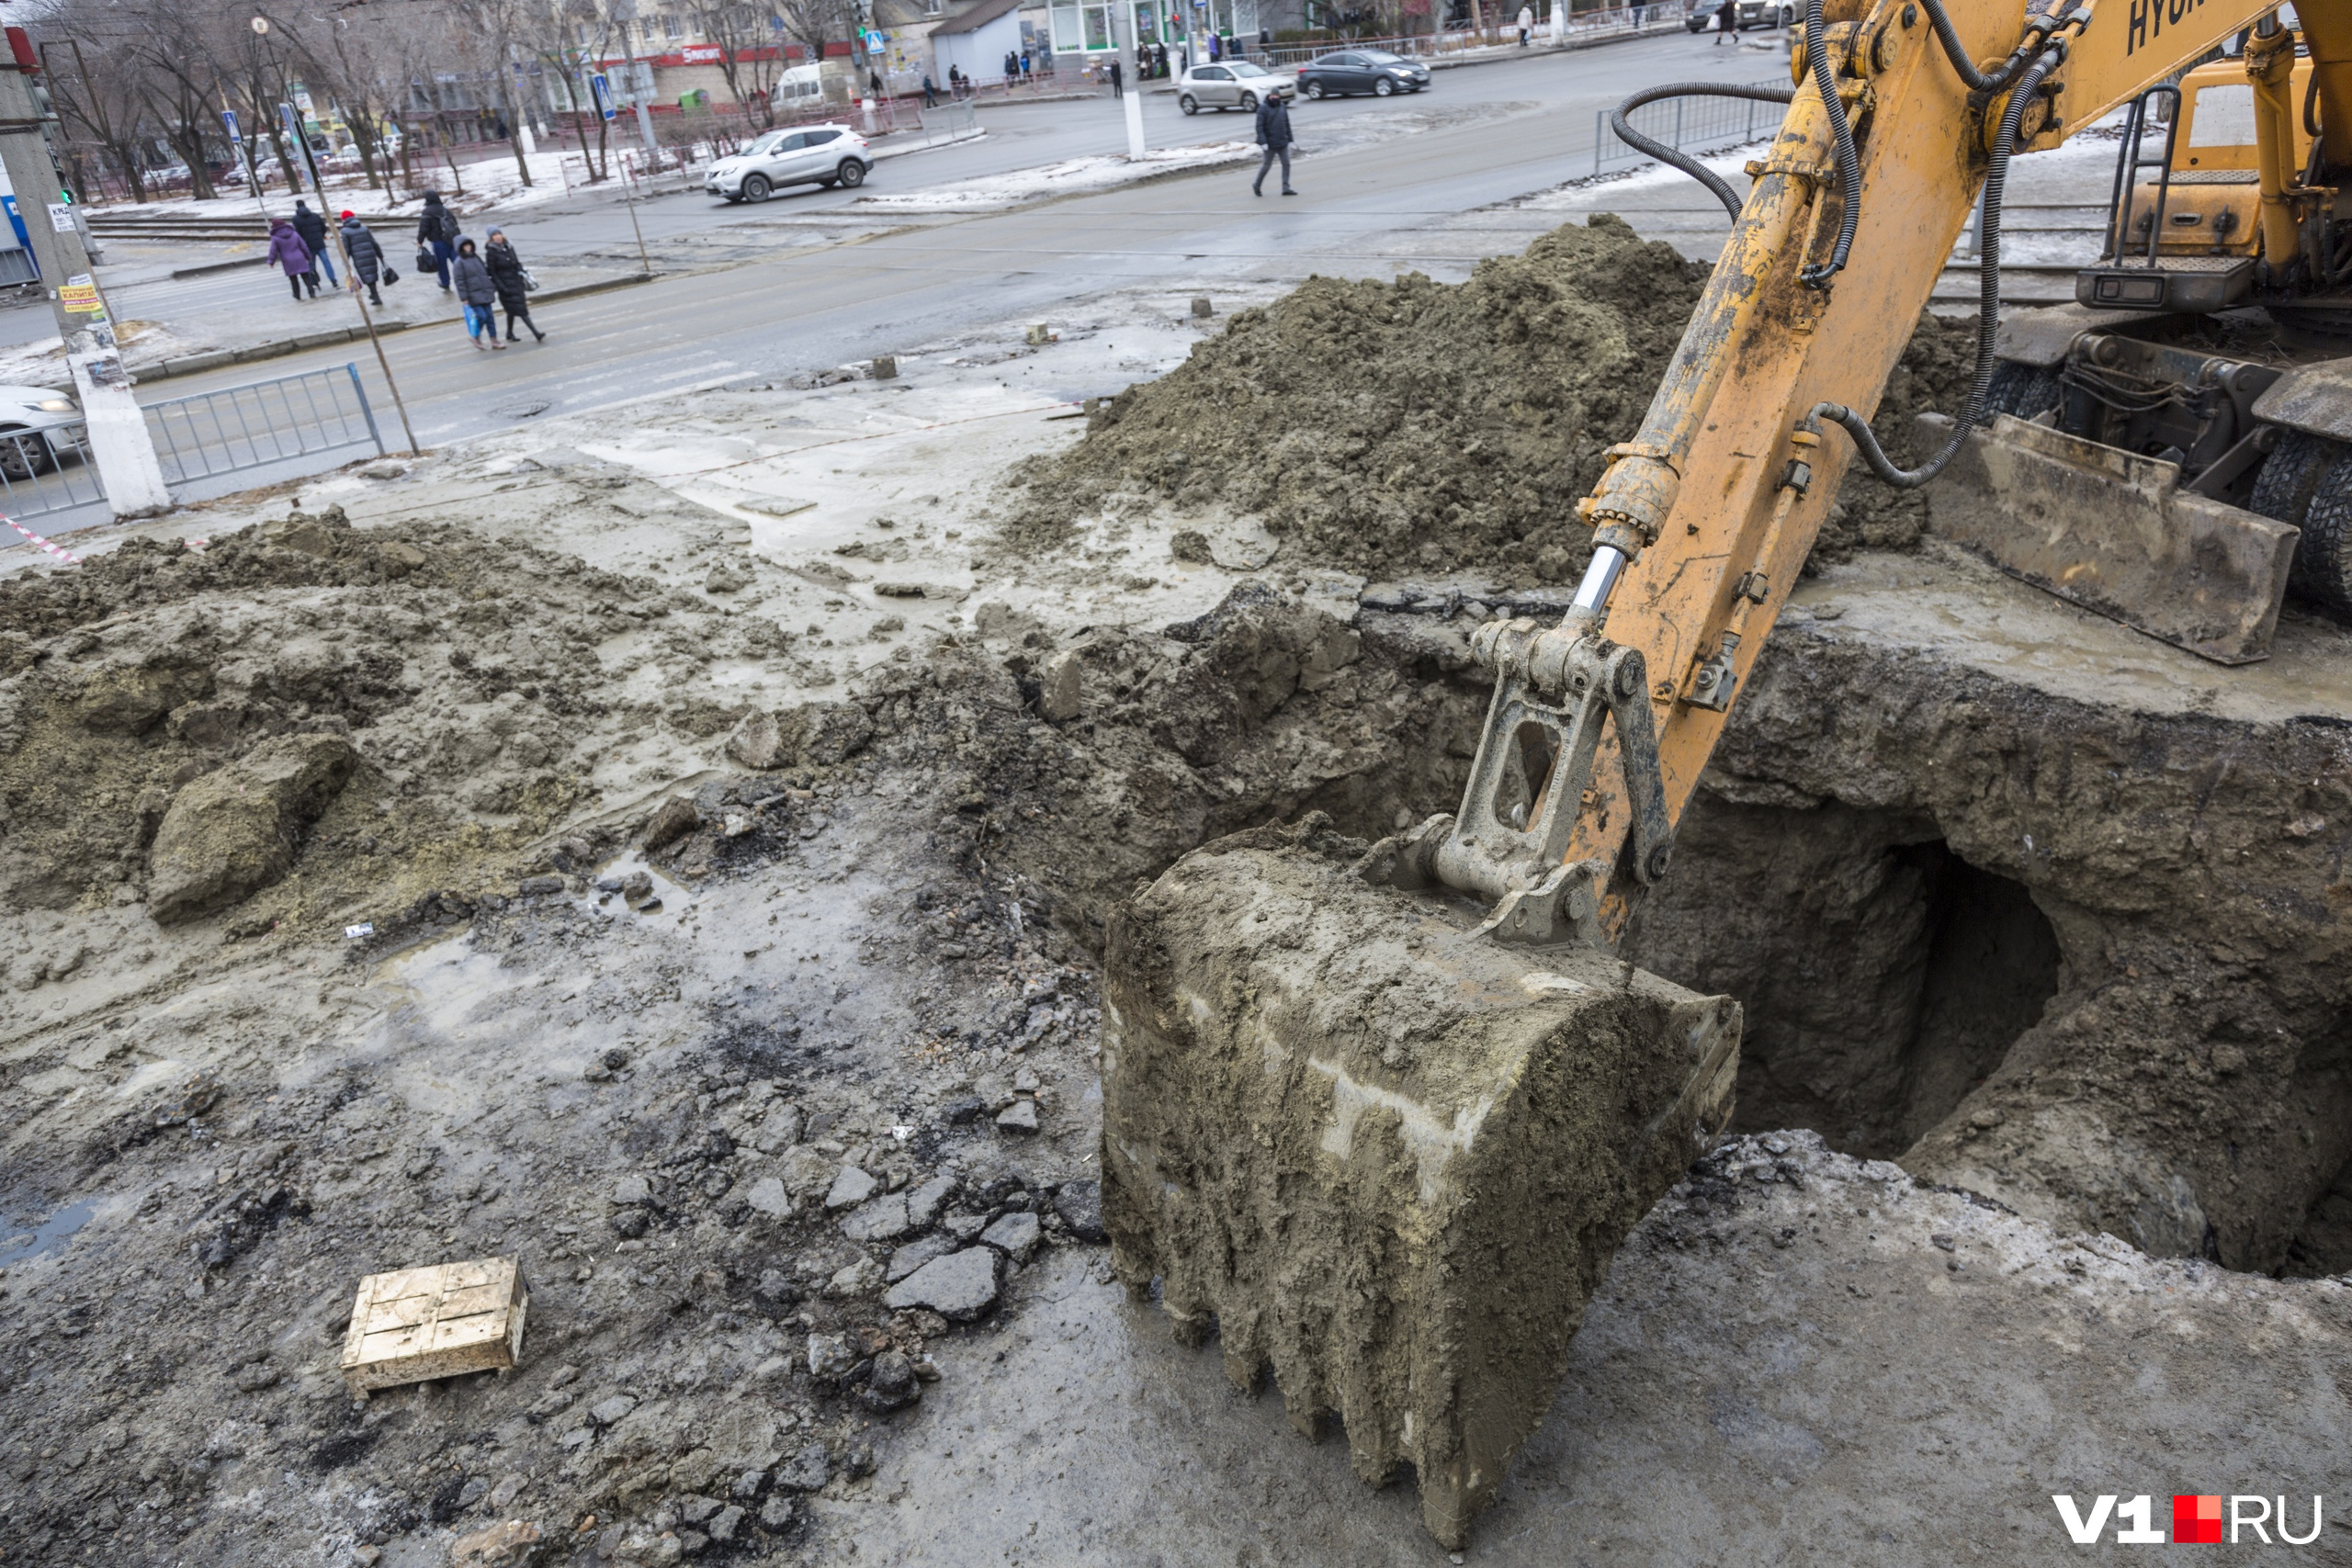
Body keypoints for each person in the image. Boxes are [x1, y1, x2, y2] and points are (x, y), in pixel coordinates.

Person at [483, 228, 544, 344]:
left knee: (512, 310)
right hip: (505, 287)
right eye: (494, 235)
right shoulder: (491, 252)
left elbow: (516, 262)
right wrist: (501, 287)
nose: (498, 236)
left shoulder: (508, 247)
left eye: (499, 234)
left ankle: (509, 333)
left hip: (517, 283)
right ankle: (536, 333)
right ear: (491, 238)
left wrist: (521, 272)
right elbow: (492, 272)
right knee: (521, 310)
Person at [451, 236, 502, 351]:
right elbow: (459, 281)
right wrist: (464, 297)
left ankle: (494, 340)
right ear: (460, 248)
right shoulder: (459, 263)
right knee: (482, 316)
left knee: (490, 318)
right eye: (465, 246)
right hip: (473, 295)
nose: (468, 247)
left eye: (469, 245)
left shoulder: (476, 257)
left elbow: (485, 273)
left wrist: (491, 286)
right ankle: (475, 337)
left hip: (485, 292)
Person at [1251, 89, 1295, 197]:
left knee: (1286, 164)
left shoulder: (1282, 106)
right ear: (1269, 95)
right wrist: (1263, 142)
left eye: (1277, 95)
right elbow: (1259, 127)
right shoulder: (1263, 108)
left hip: (1282, 141)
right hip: (1270, 143)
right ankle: (1257, 185)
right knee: (1266, 165)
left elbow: (1287, 124)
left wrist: (1290, 139)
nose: (1275, 97)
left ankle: (1286, 188)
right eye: (1273, 95)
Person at [338, 209, 386, 306]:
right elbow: (374, 242)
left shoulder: (344, 231)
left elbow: (346, 248)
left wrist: (345, 260)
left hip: (359, 257)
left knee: (366, 275)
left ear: (343, 219)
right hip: (371, 254)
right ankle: (374, 294)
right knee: (372, 274)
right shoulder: (363, 228)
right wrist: (380, 255)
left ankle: (375, 296)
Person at [417, 190, 459, 290]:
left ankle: (445, 282)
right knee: (457, 261)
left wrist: (420, 241)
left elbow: (423, 228)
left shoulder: (427, 211)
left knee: (441, 263)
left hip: (438, 241)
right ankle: (466, 278)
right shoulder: (445, 210)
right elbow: (454, 223)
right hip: (451, 239)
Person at [290, 199, 337, 288]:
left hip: (308, 246)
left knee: (311, 265)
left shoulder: (296, 219)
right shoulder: (315, 216)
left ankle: (315, 282)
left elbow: (297, 234)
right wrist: (320, 236)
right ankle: (333, 280)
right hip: (320, 244)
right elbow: (324, 228)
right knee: (326, 262)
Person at [267, 217, 316, 300]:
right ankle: (311, 292)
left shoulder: (275, 237)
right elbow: (303, 246)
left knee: (293, 279)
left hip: (287, 260)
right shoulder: (294, 233)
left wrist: (271, 261)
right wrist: (308, 256)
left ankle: (297, 295)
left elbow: (273, 251)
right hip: (300, 257)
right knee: (305, 276)